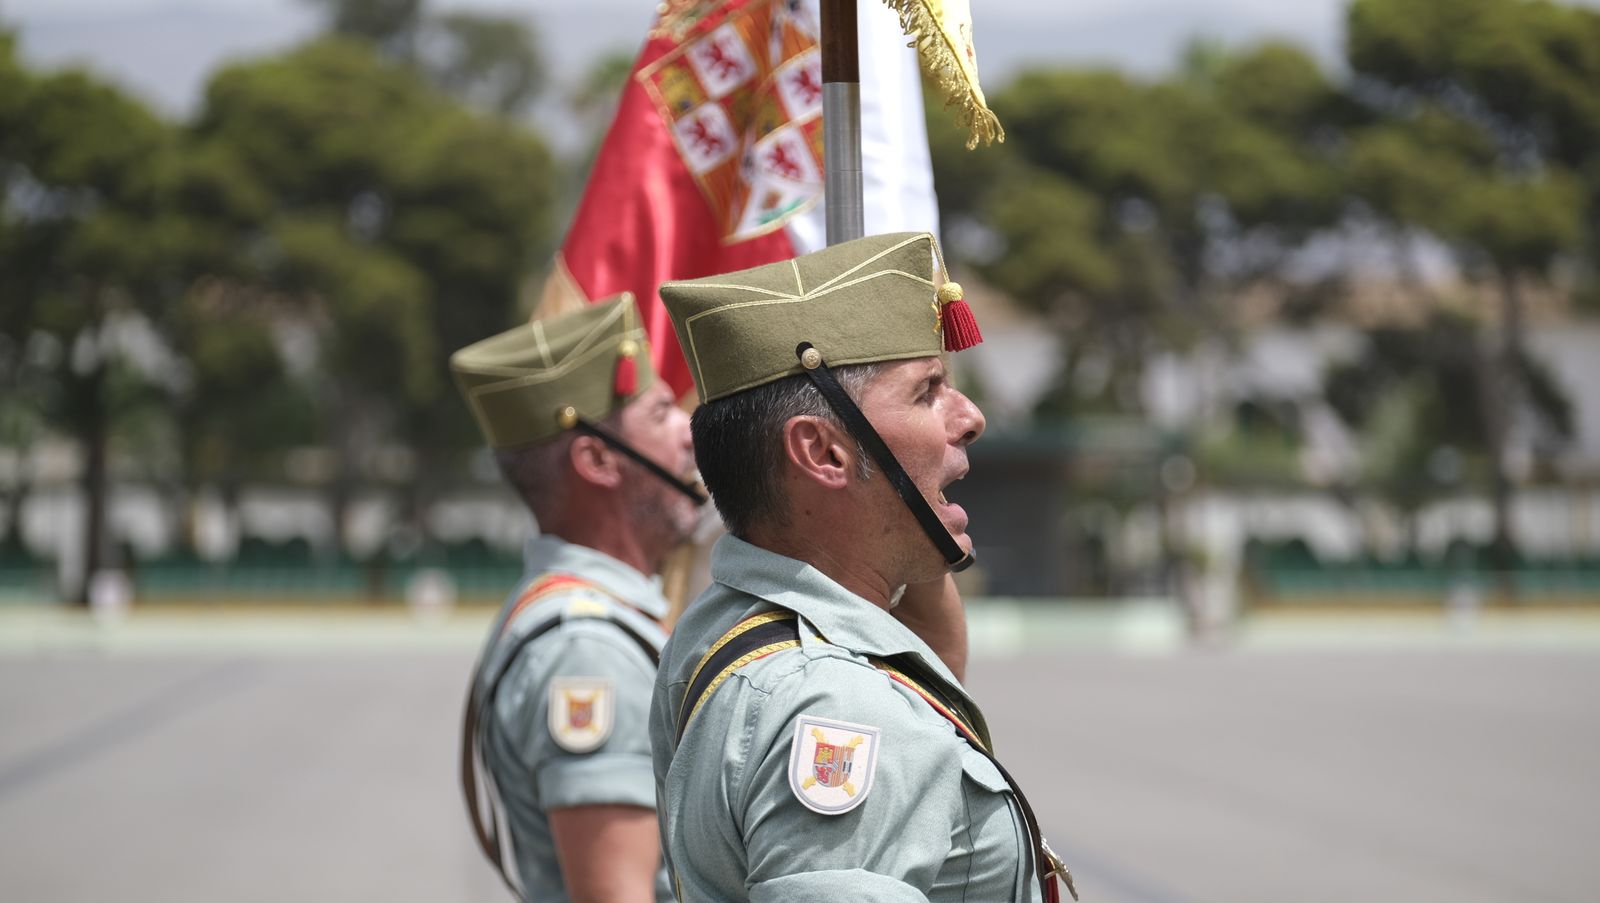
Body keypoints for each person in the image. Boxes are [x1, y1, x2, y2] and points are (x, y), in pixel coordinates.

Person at [648, 232, 1076, 902]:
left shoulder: (725, 627)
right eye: (928, 390)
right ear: (823, 452)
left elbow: (925, 672)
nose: (971, 417)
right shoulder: (841, 703)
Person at [453, 294, 702, 903]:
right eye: (661, 413)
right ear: (596, 459)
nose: (689, 432)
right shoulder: (589, 651)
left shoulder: (598, 620)